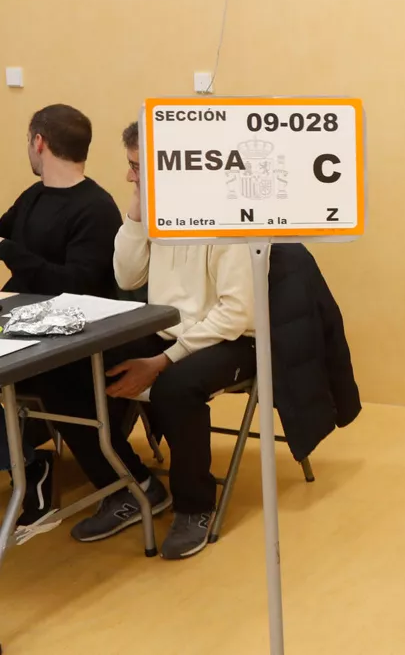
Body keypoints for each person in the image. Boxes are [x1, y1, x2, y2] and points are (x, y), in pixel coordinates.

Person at [53, 121, 257, 560]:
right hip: (167, 330)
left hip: (231, 339)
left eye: (136, 168)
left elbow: (236, 314)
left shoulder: (229, 217)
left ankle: (195, 505)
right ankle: (128, 486)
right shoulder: (162, 211)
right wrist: (137, 209)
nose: (129, 176)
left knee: (174, 389)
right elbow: (128, 276)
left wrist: (165, 359)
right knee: (66, 368)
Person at [0, 105, 121, 526]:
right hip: (18, 325)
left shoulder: (97, 208)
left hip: (67, 339)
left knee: (45, 382)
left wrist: (13, 253)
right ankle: (30, 462)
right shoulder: (33, 197)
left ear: (39, 142)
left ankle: (33, 466)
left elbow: (77, 286)